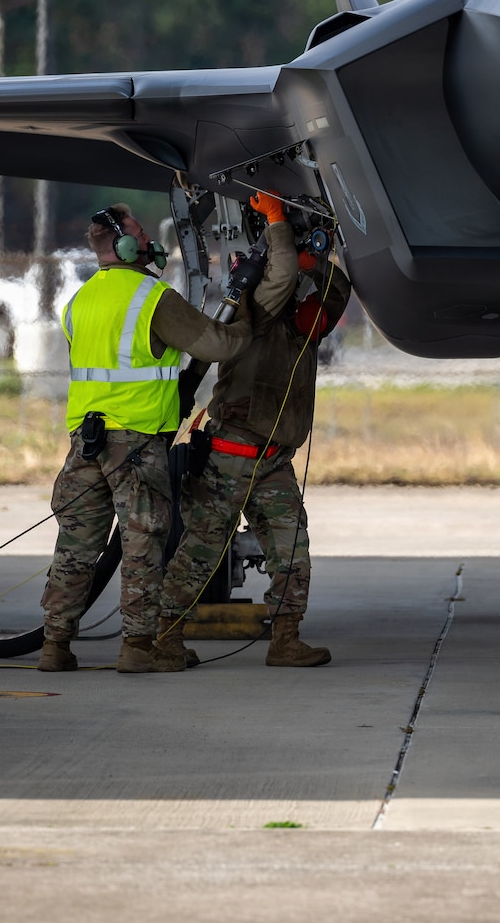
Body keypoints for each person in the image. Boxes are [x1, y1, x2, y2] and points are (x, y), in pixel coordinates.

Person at [38, 203, 259, 675]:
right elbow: (219, 345)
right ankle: (138, 647)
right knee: (142, 541)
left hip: (85, 440)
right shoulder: (151, 298)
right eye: (140, 231)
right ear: (123, 244)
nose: (148, 240)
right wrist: (246, 315)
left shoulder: (79, 301)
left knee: (76, 544)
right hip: (134, 443)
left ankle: (55, 645)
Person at [153, 191, 351, 672]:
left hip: (273, 458)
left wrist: (318, 256)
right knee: (200, 550)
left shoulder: (299, 323)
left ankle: (285, 640)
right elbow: (283, 274)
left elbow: (333, 292)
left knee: (291, 550)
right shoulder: (254, 310)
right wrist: (279, 223)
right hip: (231, 452)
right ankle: (164, 639)